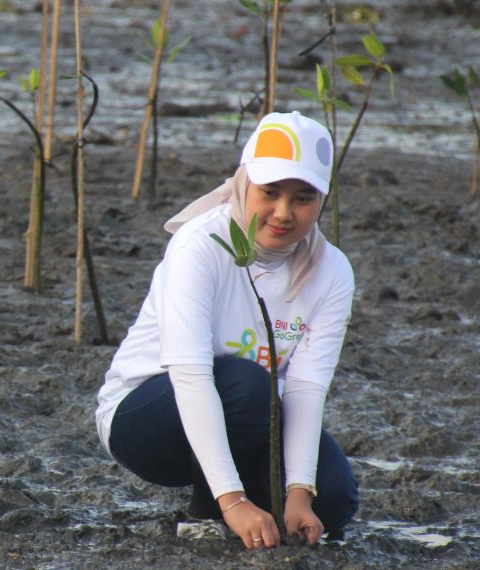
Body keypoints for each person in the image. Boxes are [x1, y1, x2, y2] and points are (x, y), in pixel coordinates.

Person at [95, 111, 359, 549]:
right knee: (246, 383)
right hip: (148, 417)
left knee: (333, 499)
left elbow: (306, 388)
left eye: (303, 198)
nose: (283, 213)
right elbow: (192, 377)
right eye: (270, 192)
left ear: (323, 199)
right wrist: (232, 501)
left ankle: (254, 500)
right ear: (243, 183)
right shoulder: (200, 244)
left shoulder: (333, 271)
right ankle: (205, 510)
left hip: (251, 419)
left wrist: (298, 493)